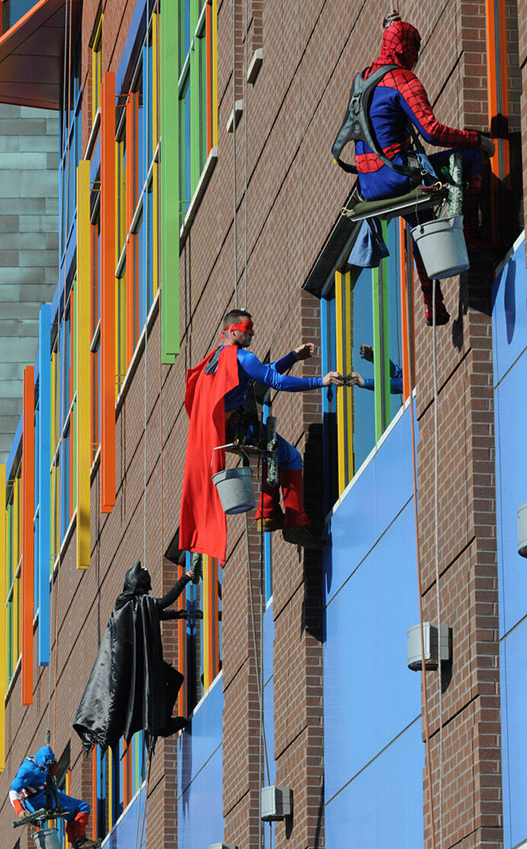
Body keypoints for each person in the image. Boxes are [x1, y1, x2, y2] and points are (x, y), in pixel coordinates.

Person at [349, 11, 495, 325]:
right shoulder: (403, 79)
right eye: (415, 48)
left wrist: (389, 27)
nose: (416, 56)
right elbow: (432, 131)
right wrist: (477, 140)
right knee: (469, 159)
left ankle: (434, 305)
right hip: (396, 173)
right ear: (407, 49)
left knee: (420, 222)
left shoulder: (361, 81)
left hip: (369, 184)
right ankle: (469, 235)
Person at [179, 309, 343, 561]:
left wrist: (291, 357)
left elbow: (262, 372)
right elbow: (274, 381)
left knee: (273, 455)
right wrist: (320, 381)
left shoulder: (215, 359)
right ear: (233, 331)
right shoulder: (241, 357)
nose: (252, 333)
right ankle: (294, 521)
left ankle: (268, 513)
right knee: (290, 457)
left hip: (221, 432)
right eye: (247, 330)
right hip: (240, 427)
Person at [73, 563, 198, 757]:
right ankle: (162, 722)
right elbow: (164, 602)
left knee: (174, 678)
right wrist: (185, 578)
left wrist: (177, 615)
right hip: (138, 669)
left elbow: (150, 613)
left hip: (135, 667)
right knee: (174, 679)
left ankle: (162, 721)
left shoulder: (126, 603)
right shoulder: (133, 603)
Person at [9, 746, 100, 849]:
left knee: (74, 814)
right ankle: (80, 843)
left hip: (47, 793)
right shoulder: (26, 770)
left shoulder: (45, 761)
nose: (43, 769)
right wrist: (19, 810)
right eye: (42, 767)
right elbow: (12, 792)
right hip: (37, 800)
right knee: (82, 807)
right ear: (38, 761)